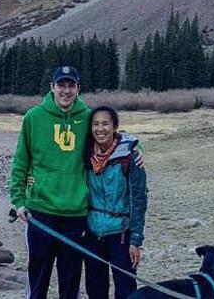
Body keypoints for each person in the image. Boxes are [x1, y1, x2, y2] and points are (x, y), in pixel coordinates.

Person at [10, 65, 90, 299]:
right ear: (52, 87)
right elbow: (21, 161)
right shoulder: (34, 117)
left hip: (75, 213)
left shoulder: (88, 117)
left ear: (78, 89)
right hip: (40, 211)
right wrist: (18, 200)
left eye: (71, 85)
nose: (66, 90)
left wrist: (135, 148)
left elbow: (112, 136)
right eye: (61, 85)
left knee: (70, 279)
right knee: (38, 277)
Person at [84, 105, 148, 299]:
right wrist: (31, 176)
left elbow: (139, 199)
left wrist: (135, 240)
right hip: (92, 233)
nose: (100, 129)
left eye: (105, 124)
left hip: (121, 233)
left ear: (114, 127)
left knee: (126, 290)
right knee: (95, 289)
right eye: (95, 124)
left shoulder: (130, 156)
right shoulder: (85, 153)